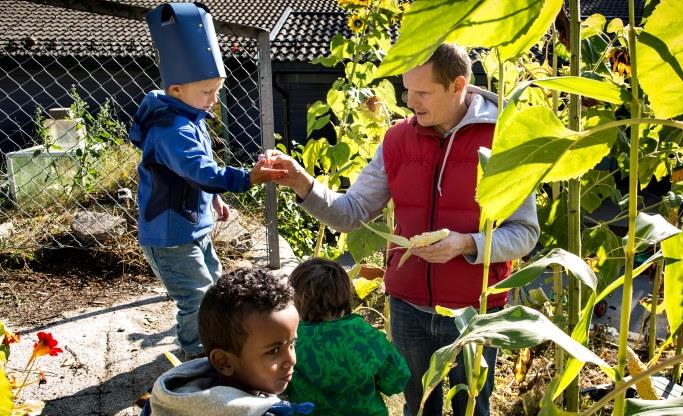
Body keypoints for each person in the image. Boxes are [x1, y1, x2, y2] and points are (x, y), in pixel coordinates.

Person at [271, 43, 539, 415]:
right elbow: (352, 212)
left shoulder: (504, 140)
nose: (410, 101)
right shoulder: (397, 140)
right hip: (408, 306)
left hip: (474, 311)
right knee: (417, 404)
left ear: (458, 85)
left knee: (472, 405)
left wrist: (465, 244)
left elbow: (525, 233)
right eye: (407, 90)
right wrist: (303, 184)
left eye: (422, 92)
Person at [128, 2, 285, 359]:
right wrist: (247, 178)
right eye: (206, 92)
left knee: (213, 289)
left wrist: (213, 198)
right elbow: (199, 170)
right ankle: (196, 358)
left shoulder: (190, 114)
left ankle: (212, 345)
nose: (213, 100)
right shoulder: (172, 128)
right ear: (177, 89)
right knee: (196, 298)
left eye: (217, 90)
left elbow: (193, 174)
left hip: (192, 227)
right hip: (170, 236)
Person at [147, 267, 313, 416]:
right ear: (224, 362)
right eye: (274, 351)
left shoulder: (168, 396)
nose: (291, 360)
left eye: (292, 344)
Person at [285, 258, 410, 415]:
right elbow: (397, 379)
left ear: (296, 299)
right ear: (344, 295)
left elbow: (278, 384)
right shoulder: (364, 335)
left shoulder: (291, 340)